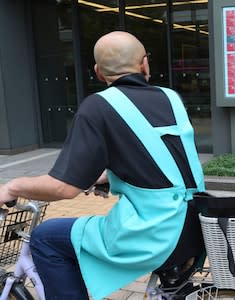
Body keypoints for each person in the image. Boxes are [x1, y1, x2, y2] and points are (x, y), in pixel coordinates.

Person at [0, 31, 205, 299]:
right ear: (144, 63)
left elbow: (63, 188)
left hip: (155, 233)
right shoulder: (170, 98)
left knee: (46, 237)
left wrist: (13, 187)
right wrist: (106, 176)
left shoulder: (98, 106)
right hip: (195, 224)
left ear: (98, 72)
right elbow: (161, 160)